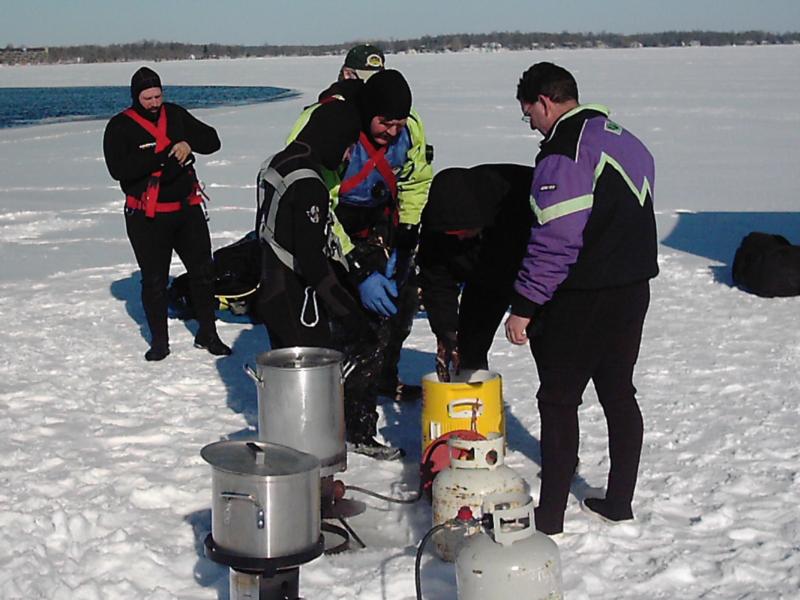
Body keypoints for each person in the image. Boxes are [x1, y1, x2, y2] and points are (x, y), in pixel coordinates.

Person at [504, 62, 658, 535]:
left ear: (545, 102)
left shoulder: (565, 150)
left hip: (580, 296)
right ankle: (619, 500)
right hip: (632, 290)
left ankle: (549, 518)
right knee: (618, 392)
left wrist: (525, 305)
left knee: (558, 400)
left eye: (529, 112)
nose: (530, 122)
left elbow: (558, 238)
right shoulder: (626, 140)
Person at [286, 68, 433, 460]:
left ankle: (371, 400)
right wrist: (357, 266)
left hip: (376, 223)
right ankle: (339, 423)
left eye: (398, 122)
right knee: (349, 327)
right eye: (385, 121)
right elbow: (314, 200)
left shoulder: (410, 132)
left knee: (391, 316)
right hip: (322, 225)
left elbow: (417, 182)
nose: (392, 130)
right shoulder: (330, 126)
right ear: (368, 112)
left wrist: (406, 238)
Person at [104, 67, 231, 361]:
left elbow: (212, 141)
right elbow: (119, 170)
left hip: (187, 210)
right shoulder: (119, 127)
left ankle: (208, 333)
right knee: (154, 281)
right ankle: (160, 341)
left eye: (158, 96)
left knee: (203, 273)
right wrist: (163, 155)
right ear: (136, 97)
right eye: (147, 97)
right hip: (147, 218)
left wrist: (189, 143)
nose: (154, 103)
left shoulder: (175, 114)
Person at [254, 100, 368, 349]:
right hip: (294, 299)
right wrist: (349, 313)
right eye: (348, 147)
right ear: (333, 138)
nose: (348, 155)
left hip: (271, 288)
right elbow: (311, 260)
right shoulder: (309, 183)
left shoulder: (276, 163)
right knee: (309, 380)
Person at [417, 164, 533, 381]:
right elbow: (436, 279)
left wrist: (526, 307)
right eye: (451, 233)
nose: (457, 238)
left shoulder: (519, 199)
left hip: (542, 276)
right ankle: (471, 400)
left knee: (555, 353)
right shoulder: (438, 224)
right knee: (467, 347)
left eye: (460, 231)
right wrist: (447, 331)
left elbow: (554, 254)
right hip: (485, 278)